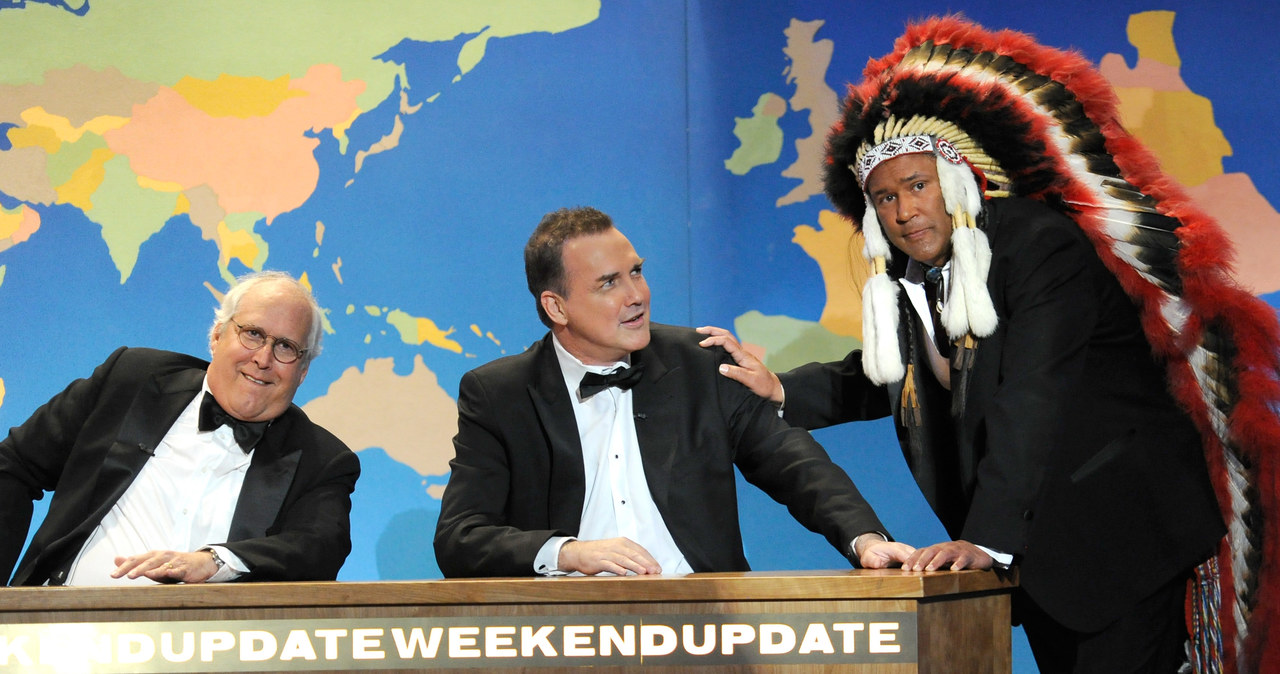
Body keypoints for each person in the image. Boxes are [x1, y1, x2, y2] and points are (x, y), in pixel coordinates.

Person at [696, 17, 1277, 672]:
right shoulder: (918, 277)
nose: (904, 211)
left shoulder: (1035, 243)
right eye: (884, 198)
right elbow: (886, 373)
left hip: (1121, 537)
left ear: (959, 181)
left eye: (917, 186)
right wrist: (778, 389)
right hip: (1051, 557)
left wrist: (988, 539)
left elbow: (1033, 393)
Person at [434, 206, 912, 578]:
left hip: (700, 618)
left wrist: (864, 539)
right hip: (565, 626)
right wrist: (570, 553)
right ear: (556, 307)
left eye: (636, 272)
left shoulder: (699, 361)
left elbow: (791, 460)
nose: (636, 295)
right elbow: (460, 537)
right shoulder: (500, 393)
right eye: (609, 283)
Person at [0, 270, 360, 586]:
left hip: (205, 654)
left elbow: (318, 547)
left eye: (286, 347)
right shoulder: (132, 379)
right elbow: (15, 463)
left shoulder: (322, 460)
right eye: (252, 334)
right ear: (217, 336)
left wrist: (215, 561)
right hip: (58, 634)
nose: (263, 359)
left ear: (303, 371)